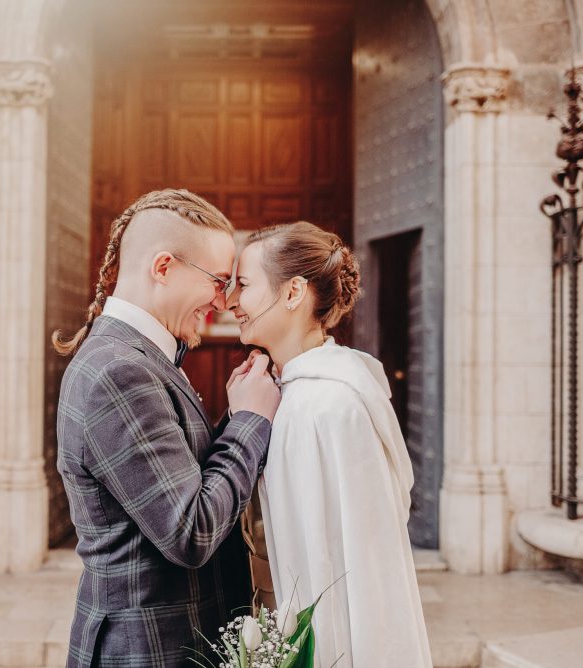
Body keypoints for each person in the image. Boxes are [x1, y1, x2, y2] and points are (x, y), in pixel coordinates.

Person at [53, 189, 281, 668]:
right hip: (146, 649)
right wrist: (249, 421)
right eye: (217, 281)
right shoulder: (120, 370)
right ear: (163, 268)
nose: (223, 301)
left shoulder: (144, 357)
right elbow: (189, 530)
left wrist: (233, 417)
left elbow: (175, 481)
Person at [227, 221, 433, 667]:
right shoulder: (278, 393)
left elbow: (360, 567)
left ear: (293, 292)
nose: (231, 301)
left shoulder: (332, 405)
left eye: (243, 284)